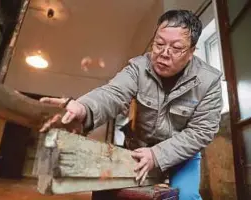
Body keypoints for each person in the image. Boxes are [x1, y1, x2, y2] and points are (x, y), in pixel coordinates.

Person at [39, 10, 223, 200]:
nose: (164, 54)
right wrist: (83, 108)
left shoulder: (209, 81)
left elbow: (201, 131)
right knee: (108, 192)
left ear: (192, 51)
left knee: (187, 196)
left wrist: (157, 155)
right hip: (138, 148)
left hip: (183, 154)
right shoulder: (139, 67)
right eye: (159, 44)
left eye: (176, 48)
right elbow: (113, 93)